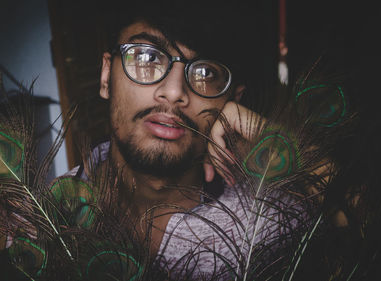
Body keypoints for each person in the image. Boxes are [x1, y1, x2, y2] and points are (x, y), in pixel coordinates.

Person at [65, 5, 322, 280]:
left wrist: (266, 135)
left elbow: (363, 221)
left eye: (206, 73)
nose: (174, 93)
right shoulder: (44, 212)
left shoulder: (271, 216)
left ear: (232, 99)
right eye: (147, 57)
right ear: (106, 77)